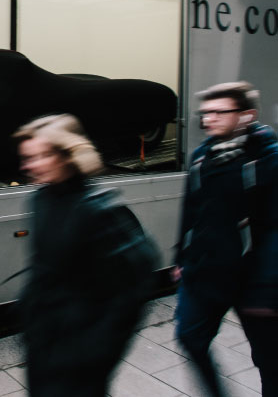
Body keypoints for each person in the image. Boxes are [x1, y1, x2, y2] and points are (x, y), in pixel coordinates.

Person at [14, 114, 157, 397]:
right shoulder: (41, 199)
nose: (31, 165)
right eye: (28, 157)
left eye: (43, 155)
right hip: (45, 342)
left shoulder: (102, 210)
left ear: (69, 155)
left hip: (82, 353)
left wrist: (97, 352)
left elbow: (134, 289)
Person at [174, 82, 278, 397]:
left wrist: (267, 288)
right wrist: (182, 258)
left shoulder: (269, 159)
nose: (209, 120)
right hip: (206, 273)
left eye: (219, 112)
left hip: (252, 279)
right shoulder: (202, 156)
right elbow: (192, 210)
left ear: (247, 115)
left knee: (269, 359)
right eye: (205, 113)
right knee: (191, 337)